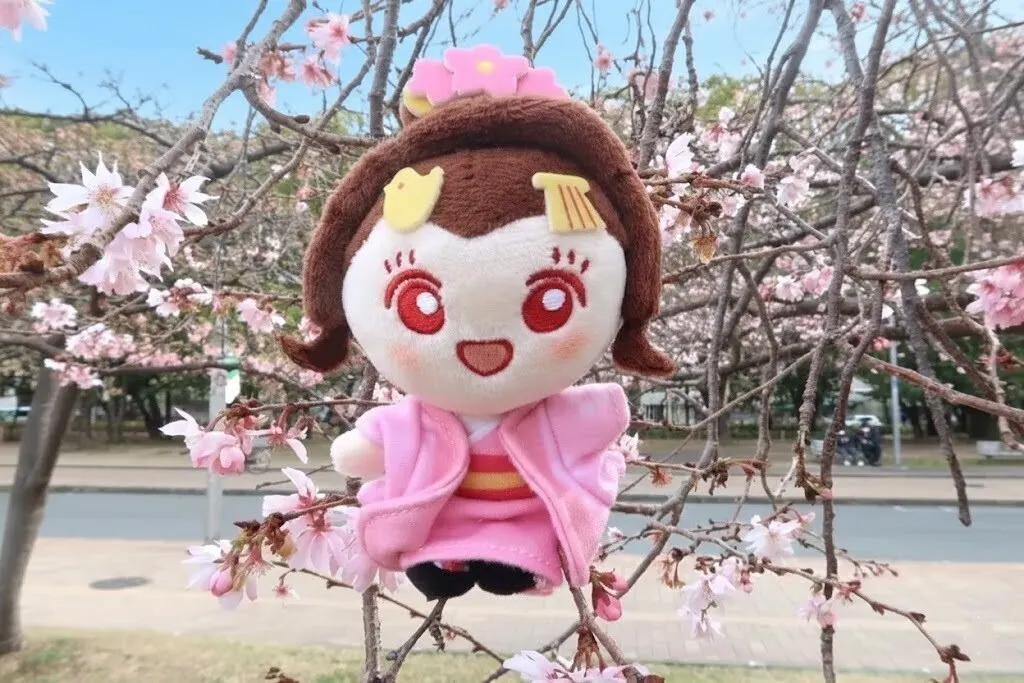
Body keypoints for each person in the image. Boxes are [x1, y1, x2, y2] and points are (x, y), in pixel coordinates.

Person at [282, 45, 672, 601]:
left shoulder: (547, 413)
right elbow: (367, 447)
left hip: (524, 525)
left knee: (514, 563)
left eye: (552, 302)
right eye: (419, 305)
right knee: (438, 560)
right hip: (437, 522)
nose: (483, 349)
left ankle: (514, 555)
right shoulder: (419, 419)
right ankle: (445, 557)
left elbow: (601, 425)